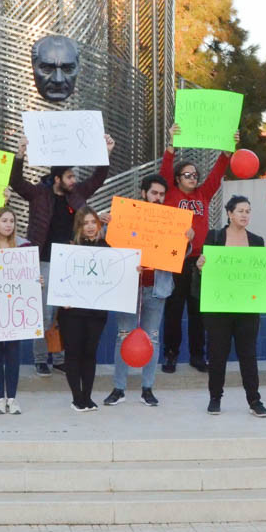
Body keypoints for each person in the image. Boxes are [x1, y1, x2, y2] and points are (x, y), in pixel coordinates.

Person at [9, 134, 114, 377]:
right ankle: (39, 358)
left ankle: (59, 358)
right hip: (43, 260)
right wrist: (19, 155)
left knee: (64, 312)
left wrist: (106, 153)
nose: (74, 180)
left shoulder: (76, 195)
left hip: (70, 262)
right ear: (57, 179)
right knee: (44, 313)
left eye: (74, 177)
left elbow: (97, 179)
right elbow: (16, 181)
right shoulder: (38, 195)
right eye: (69, 176)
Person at [103, 174, 187, 407]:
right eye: (154, 193)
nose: (158, 198)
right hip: (127, 285)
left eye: (161, 194)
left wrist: (187, 239)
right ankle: (119, 389)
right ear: (143, 193)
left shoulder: (172, 220)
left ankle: (147, 389)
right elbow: (105, 243)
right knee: (123, 337)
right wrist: (104, 224)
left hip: (156, 288)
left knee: (153, 339)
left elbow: (182, 252)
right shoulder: (125, 216)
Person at [198, 195, 266, 418]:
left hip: (247, 307)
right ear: (229, 213)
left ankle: (254, 400)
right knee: (217, 354)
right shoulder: (215, 237)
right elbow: (203, 269)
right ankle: (215, 398)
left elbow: (263, 271)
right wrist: (200, 266)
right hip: (218, 306)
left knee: (248, 354)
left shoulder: (256, 240)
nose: (245, 215)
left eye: (248, 211)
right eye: (240, 211)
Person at [159, 124, 236, 374]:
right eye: (187, 175)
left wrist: (228, 150)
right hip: (175, 260)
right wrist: (172, 143)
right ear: (178, 178)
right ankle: (170, 355)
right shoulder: (170, 194)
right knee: (173, 310)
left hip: (200, 262)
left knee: (197, 312)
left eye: (195, 175)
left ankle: (196, 355)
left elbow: (217, 173)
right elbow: (164, 170)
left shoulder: (203, 194)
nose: (193, 178)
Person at [56, 207, 116, 411]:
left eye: (93, 222)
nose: (90, 227)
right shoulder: (69, 247)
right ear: (79, 227)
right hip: (71, 311)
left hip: (97, 311)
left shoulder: (107, 248)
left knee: (90, 353)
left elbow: (116, 275)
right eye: (85, 223)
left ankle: (88, 397)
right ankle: (77, 398)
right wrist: (61, 297)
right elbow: (60, 277)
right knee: (73, 353)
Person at [0, 206, 36, 415]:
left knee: (13, 351)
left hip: (16, 308)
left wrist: (35, 280)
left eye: (11, 221)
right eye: (4, 221)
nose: (8, 225)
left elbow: (28, 275)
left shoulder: (23, 246)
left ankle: (12, 398)